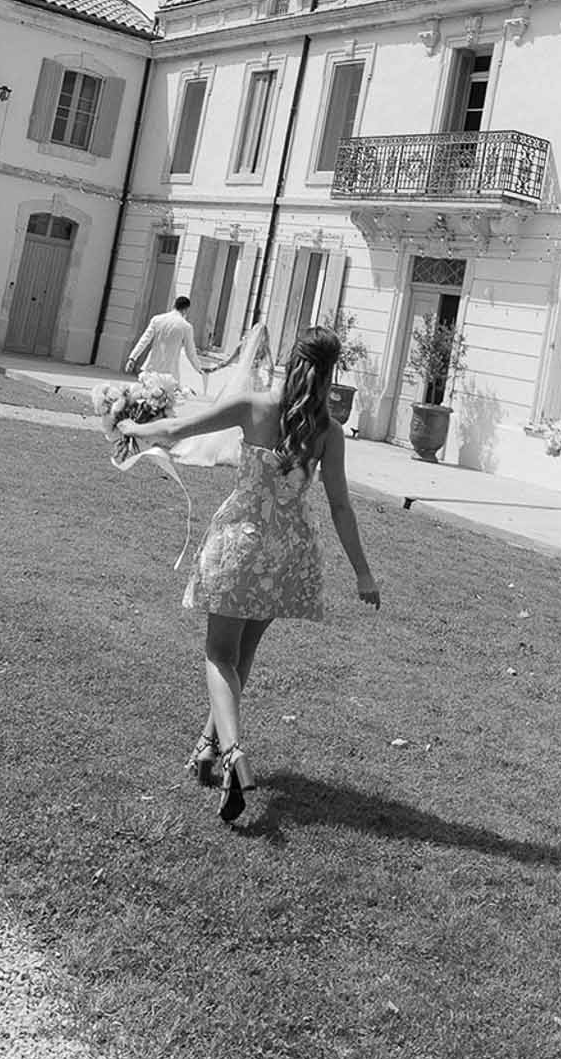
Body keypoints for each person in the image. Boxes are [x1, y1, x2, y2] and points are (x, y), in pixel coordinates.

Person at [120, 324, 381, 824]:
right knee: (242, 656)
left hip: (241, 543)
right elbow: (342, 507)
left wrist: (133, 430)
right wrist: (363, 575)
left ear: (290, 359)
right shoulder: (327, 432)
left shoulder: (252, 406)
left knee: (219, 655)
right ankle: (207, 748)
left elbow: (177, 431)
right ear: (330, 373)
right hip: (289, 554)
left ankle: (234, 752)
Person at [126, 295, 208, 396]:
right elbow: (190, 352)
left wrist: (132, 358)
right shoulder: (186, 327)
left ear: (174, 305)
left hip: (151, 369)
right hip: (170, 374)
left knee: (144, 400)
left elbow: (144, 340)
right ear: (186, 310)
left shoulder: (157, 319)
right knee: (164, 407)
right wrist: (199, 368)